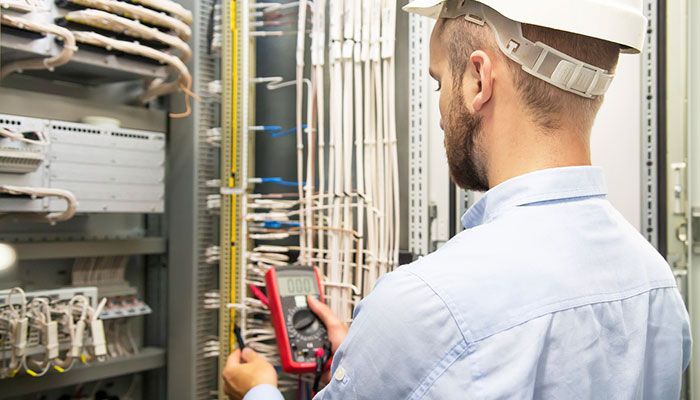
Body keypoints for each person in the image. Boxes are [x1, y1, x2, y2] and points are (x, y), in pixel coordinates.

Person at [223, 0, 692, 398]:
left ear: (477, 80)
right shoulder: (656, 285)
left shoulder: (428, 305)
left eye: (438, 82)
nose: (441, 112)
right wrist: (372, 354)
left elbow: (436, 334)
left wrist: (260, 388)